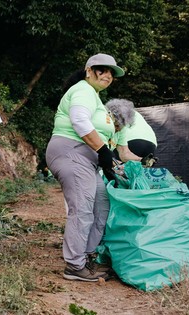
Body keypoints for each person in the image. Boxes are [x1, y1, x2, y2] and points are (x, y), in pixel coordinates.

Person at [45, 53, 125, 282]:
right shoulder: (83, 90)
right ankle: (74, 265)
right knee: (82, 208)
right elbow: (80, 122)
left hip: (87, 158)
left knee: (101, 203)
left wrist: (106, 159)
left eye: (112, 73)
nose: (108, 75)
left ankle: (87, 255)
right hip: (71, 152)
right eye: (103, 70)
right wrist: (103, 152)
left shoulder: (94, 96)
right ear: (89, 70)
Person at [106, 98, 158, 164]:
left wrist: (141, 160)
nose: (119, 129)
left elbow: (124, 153)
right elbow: (101, 155)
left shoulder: (122, 129)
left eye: (122, 127)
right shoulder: (101, 127)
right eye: (116, 126)